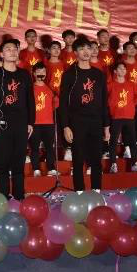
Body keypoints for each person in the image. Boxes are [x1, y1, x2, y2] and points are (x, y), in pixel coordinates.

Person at [0, 39, 35, 200]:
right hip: (1, 124)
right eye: (8, 49)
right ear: (1, 54)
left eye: (15, 49)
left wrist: (31, 122)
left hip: (21, 123)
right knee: (3, 162)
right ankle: (4, 197)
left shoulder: (24, 74)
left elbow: (30, 100)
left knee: (19, 162)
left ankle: (19, 196)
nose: (12, 52)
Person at [58, 38, 109, 192]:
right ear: (75, 52)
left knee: (96, 159)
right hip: (77, 122)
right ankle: (79, 192)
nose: (86, 51)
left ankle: (96, 191)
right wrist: (65, 126)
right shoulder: (69, 75)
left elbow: (104, 101)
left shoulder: (98, 74)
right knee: (78, 159)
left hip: (96, 122)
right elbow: (63, 103)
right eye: (81, 49)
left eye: (88, 48)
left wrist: (106, 126)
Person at [107, 62, 137, 173]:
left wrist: (131, 104)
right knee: (113, 141)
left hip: (129, 116)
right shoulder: (110, 85)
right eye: (120, 68)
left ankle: (134, 163)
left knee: (132, 141)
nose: (123, 70)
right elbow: (104, 98)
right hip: (116, 116)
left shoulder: (131, 84)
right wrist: (111, 106)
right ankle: (113, 164)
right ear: (115, 71)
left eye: (124, 69)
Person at [29, 62, 58, 177]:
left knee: (50, 147)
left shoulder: (50, 89)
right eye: (38, 71)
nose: (41, 73)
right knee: (34, 147)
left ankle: (51, 168)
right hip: (35, 123)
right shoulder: (30, 89)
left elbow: (55, 105)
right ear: (34, 73)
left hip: (48, 123)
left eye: (43, 71)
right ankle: (36, 169)